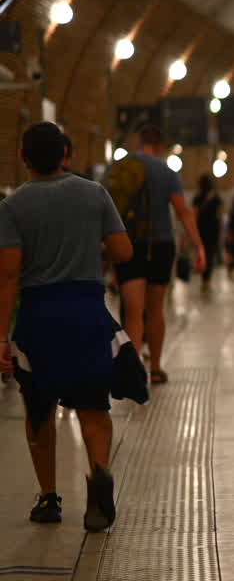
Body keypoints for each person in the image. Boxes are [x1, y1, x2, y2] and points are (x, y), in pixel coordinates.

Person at [0, 123, 134, 531]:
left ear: (24, 158)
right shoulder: (94, 194)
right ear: (65, 155)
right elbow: (124, 251)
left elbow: (7, 274)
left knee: (40, 409)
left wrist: (2, 337)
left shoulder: (12, 206)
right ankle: (98, 477)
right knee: (93, 406)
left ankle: (49, 497)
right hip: (86, 312)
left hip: (39, 315)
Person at [104, 125, 205, 385]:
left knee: (133, 313)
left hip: (128, 244)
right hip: (160, 245)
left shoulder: (120, 169)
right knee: (155, 310)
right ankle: (157, 368)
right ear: (160, 146)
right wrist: (198, 245)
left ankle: (133, 368)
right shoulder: (166, 172)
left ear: (139, 142)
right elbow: (183, 211)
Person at [192, 174, 222, 293]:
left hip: (201, 230)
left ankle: (204, 279)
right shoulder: (216, 198)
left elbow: (194, 215)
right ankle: (207, 280)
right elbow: (220, 215)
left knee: (202, 254)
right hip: (213, 231)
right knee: (210, 255)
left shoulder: (198, 198)